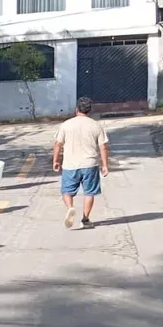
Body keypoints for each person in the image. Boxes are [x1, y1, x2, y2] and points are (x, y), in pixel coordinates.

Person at [52, 96, 110, 229]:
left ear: (76, 109)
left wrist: (56, 160)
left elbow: (57, 144)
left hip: (70, 165)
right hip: (90, 165)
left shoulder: (66, 124)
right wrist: (105, 165)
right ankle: (85, 219)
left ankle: (70, 208)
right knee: (89, 193)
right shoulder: (96, 125)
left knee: (67, 191)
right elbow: (103, 146)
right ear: (89, 110)